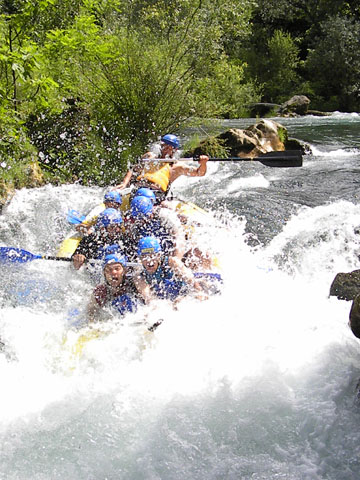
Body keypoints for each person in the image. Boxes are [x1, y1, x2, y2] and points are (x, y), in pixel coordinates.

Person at [114, 134, 209, 203]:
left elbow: (199, 173)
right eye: (164, 146)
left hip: (157, 195)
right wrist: (124, 183)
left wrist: (203, 163)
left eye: (169, 147)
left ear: (174, 150)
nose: (165, 149)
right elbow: (133, 169)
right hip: (138, 190)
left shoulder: (177, 167)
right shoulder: (150, 157)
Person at [133, 236, 206, 305]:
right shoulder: (139, 276)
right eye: (144, 257)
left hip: (185, 293)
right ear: (140, 259)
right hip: (165, 301)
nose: (149, 261)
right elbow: (149, 299)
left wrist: (200, 294)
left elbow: (192, 282)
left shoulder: (171, 263)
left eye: (152, 256)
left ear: (159, 255)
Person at [124, 195, 186, 261]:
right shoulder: (135, 225)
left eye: (146, 217)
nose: (143, 220)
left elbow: (179, 238)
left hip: (172, 248)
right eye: (140, 219)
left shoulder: (165, 215)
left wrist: (176, 260)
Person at [87, 252, 139, 322]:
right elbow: (91, 313)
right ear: (104, 273)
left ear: (124, 271)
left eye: (117, 269)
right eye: (109, 269)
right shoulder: (100, 292)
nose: (113, 272)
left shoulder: (134, 286)